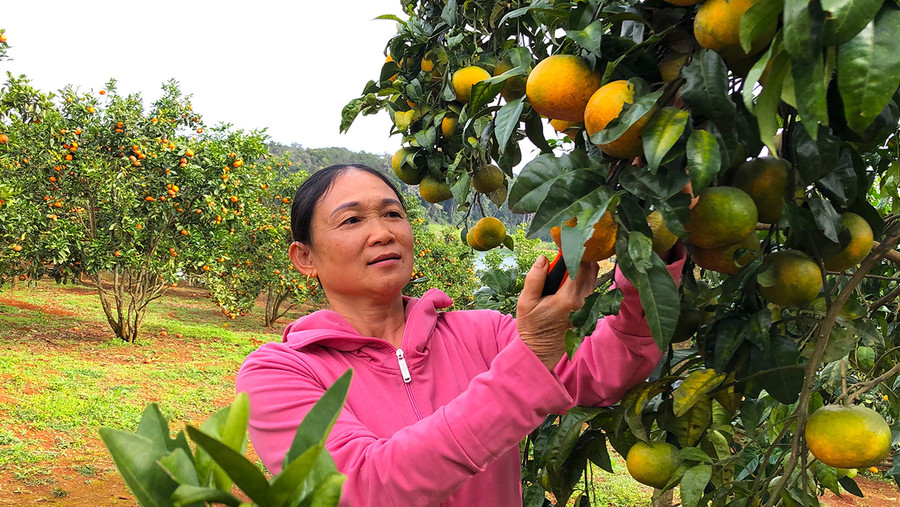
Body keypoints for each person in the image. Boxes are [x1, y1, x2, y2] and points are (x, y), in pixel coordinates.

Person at [236, 163, 686, 506]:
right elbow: (361, 487)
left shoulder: (482, 334)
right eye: (351, 221)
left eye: (393, 214)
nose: (382, 233)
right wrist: (529, 359)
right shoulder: (278, 372)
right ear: (304, 257)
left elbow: (612, 363)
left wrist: (652, 249)